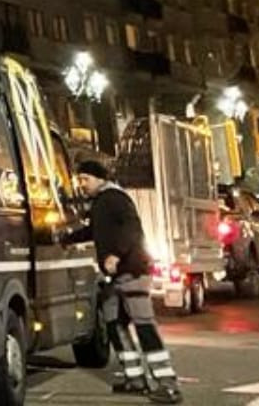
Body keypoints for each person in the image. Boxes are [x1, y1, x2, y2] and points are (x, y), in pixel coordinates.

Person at [71, 159, 181, 404]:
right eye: (80, 180)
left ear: (99, 179)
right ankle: (135, 378)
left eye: (85, 179)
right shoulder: (100, 203)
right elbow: (96, 231)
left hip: (131, 272)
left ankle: (167, 383)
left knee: (144, 325)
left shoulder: (114, 198)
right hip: (114, 278)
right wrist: (65, 238)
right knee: (114, 324)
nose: (82, 184)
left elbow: (131, 228)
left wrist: (115, 255)